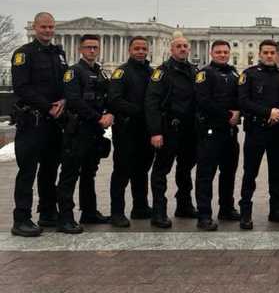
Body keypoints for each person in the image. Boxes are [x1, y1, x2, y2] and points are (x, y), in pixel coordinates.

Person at [10, 12, 67, 237]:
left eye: (51, 27)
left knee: (50, 169)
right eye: (43, 26)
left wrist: (64, 100)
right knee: (27, 171)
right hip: (32, 120)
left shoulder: (58, 54)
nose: (48, 30)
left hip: (53, 122)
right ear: (35, 28)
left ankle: (47, 212)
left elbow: (64, 83)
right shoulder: (24, 54)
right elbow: (21, 88)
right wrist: (48, 106)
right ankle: (21, 218)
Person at [56, 34, 113, 233]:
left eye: (95, 47)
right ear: (81, 49)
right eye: (88, 47)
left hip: (94, 131)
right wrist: (98, 117)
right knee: (70, 174)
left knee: (90, 173)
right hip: (78, 129)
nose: (92, 51)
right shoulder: (74, 72)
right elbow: (73, 100)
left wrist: (109, 114)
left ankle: (89, 211)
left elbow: (106, 98)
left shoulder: (100, 72)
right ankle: (65, 216)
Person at [238, 40, 279, 228]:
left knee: (278, 173)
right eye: (266, 52)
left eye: (273, 52)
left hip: (278, 131)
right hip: (256, 130)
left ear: (277, 55)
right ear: (260, 54)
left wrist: (278, 112)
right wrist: (267, 113)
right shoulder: (249, 74)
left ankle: (277, 210)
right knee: (250, 173)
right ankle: (245, 212)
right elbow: (243, 101)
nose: (270, 55)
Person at [145, 36, 198, 228]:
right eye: (179, 46)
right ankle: (158, 211)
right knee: (161, 170)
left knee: (185, 169)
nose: (183, 49)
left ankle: (184, 205)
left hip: (189, 129)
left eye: (185, 46)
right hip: (169, 128)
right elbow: (151, 103)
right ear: (171, 49)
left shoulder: (194, 70)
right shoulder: (162, 72)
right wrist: (155, 131)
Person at [194, 40, 242, 231]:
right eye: (219, 52)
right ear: (212, 53)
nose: (222, 54)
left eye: (225, 52)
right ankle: (204, 214)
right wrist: (229, 115)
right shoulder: (205, 74)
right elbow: (203, 101)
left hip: (230, 132)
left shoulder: (233, 73)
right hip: (211, 130)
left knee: (228, 172)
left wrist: (239, 113)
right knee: (206, 174)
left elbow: (240, 98)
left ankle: (226, 208)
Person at [107, 36, 154, 227]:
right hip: (126, 128)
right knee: (122, 170)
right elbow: (115, 99)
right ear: (130, 50)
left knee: (142, 169)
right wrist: (141, 111)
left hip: (145, 129)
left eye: (144, 48)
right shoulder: (121, 72)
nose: (141, 51)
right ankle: (117, 211)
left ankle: (140, 206)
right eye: (137, 48)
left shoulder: (152, 72)